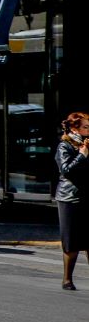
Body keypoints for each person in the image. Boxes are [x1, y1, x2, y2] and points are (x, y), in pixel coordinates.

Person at [57, 114, 89, 290]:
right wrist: (82, 156)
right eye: (85, 127)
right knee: (71, 240)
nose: (88, 130)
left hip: (87, 197)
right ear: (74, 128)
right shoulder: (65, 145)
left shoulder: (87, 145)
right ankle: (67, 278)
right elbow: (66, 170)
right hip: (69, 198)